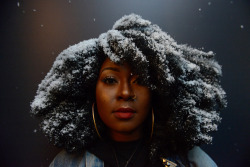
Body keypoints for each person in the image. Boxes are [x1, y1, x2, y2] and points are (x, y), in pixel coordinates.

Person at [31, 14, 227, 167]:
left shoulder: (190, 160)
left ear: (157, 90)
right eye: (110, 80)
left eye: (140, 80)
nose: (125, 92)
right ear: (90, 90)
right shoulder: (67, 163)